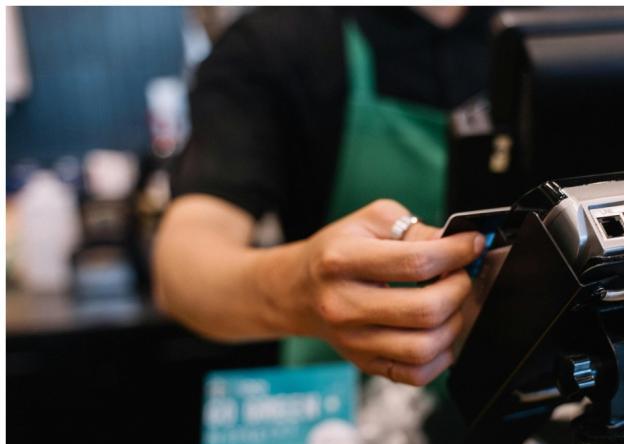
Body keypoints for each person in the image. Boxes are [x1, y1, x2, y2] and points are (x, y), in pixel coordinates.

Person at [154, 7, 496, 386]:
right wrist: (298, 287)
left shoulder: (553, 33)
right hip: (336, 415)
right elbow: (181, 268)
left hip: (527, 415)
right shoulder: (275, 42)